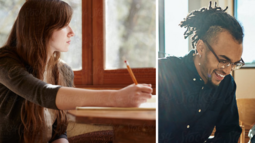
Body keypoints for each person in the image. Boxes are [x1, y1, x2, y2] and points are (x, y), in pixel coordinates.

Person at [0, 0, 153, 142]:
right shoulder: (5, 62)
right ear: (40, 28)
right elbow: (42, 93)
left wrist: (61, 140)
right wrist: (117, 98)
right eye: (64, 25)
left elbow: (59, 128)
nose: (72, 32)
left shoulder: (63, 70)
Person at [158, 3, 245, 142]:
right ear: (201, 47)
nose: (228, 71)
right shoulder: (164, 71)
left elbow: (229, 131)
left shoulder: (226, 84)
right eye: (223, 60)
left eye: (235, 63)